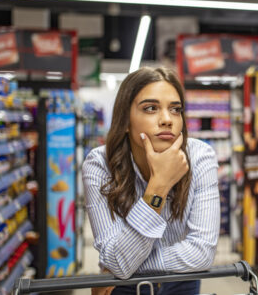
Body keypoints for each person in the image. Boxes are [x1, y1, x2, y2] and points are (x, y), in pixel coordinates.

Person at [82, 67, 220, 295]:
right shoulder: (99, 164)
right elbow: (116, 260)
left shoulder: (200, 158)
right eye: (150, 108)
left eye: (175, 110)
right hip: (124, 289)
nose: (167, 119)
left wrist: (121, 266)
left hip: (181, 281)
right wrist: (160, 184)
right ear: (125, 120)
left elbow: (202, 252)